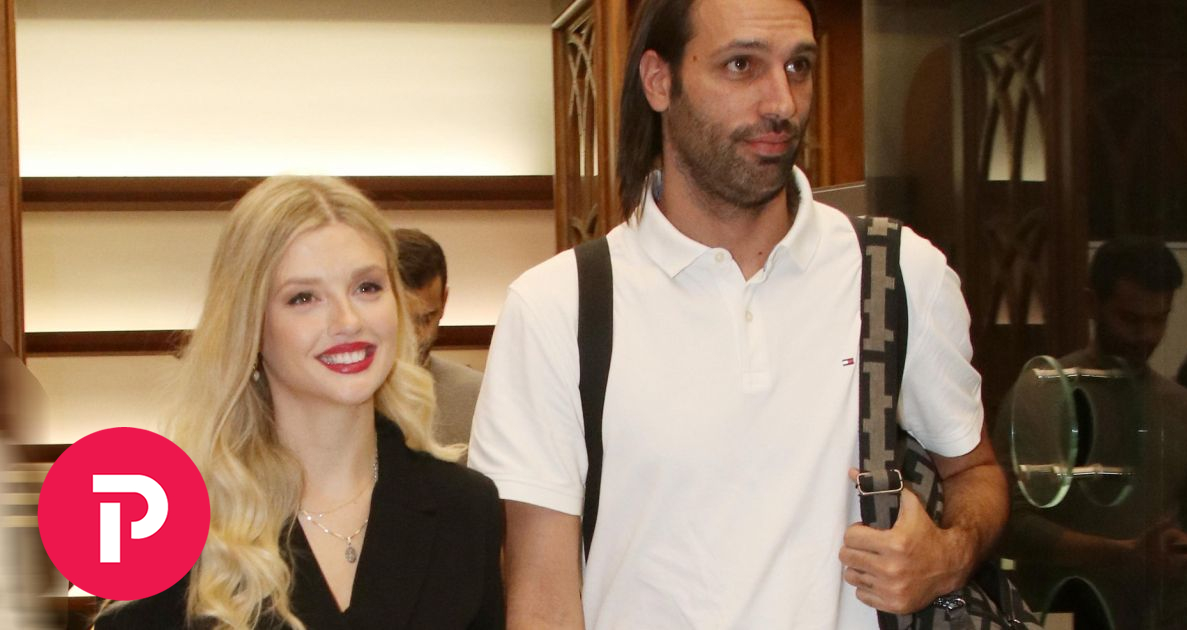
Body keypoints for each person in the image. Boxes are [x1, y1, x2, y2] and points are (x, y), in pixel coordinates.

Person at [467, 0, 1007, 627]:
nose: (782, 102)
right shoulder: (559, 307)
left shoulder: (896, 272)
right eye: (742, 65)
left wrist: (948, 554)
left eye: (798, 66)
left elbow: (975, 470)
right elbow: (542, 595)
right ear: (659, 81)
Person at [95, 176, 503, 629]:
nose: (348, 321)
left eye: (367, 287)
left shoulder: (465, 508)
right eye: (303, 297)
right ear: (249, 325)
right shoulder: (158, 520)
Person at [994, 236, 1187, 629]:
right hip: (1063, 614)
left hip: (1165, 618)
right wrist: (1125, 553)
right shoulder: (1043, 393)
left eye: (1159, 319)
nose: (1146, 335)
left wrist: (1183, 547)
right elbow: (1010, 524)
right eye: (1130, 319)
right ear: (1092, 304)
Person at [393, 228, 483, 451]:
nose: (415, 337)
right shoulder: (343, 394)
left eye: (426, 319)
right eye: (402, 320)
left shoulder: (478, 396)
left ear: (444, 301)